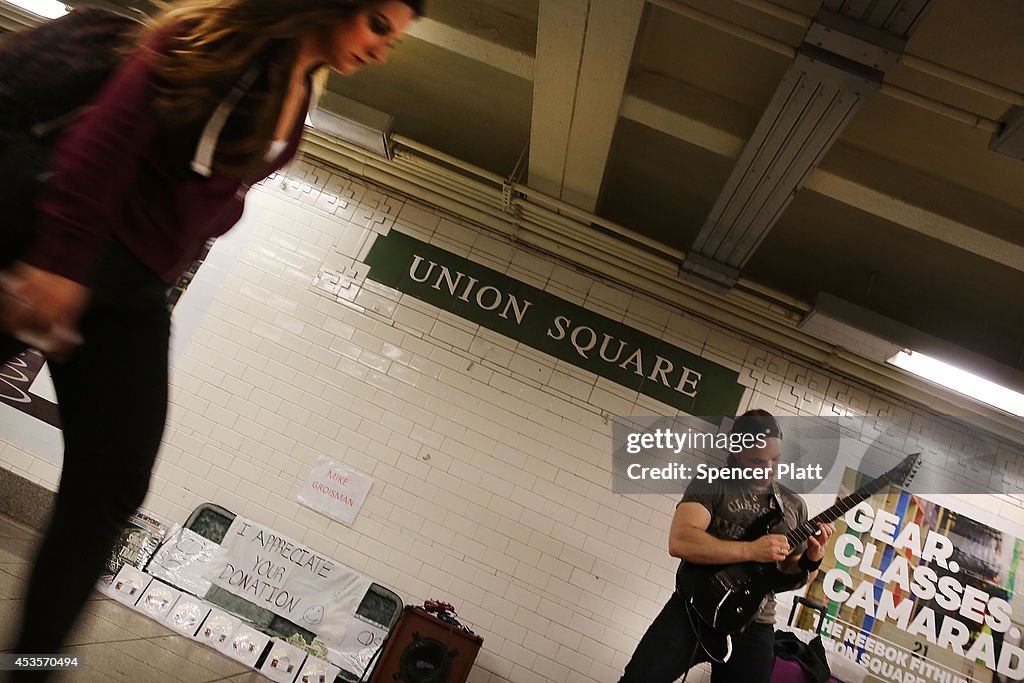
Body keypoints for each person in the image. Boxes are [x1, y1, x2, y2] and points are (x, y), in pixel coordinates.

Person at [0, 0, 422, 663]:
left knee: (112, 484)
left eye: (395, 40)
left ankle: (32, 665)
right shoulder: (210, 38)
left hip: (134, 291)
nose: (382, 50)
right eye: (378, 25)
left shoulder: (300, 86)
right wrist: (62, 259)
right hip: (71, 248)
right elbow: (106, 138)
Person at [618, 409, 835, 683]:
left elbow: (792, 574)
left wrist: (812, 559)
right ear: (735, 452)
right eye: (757, 461)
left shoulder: (793, 506)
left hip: (755, 624)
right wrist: (750, 550)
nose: (768, 469)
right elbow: (681, 540)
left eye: (775, 459)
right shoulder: (712, 483)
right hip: (692, 610)